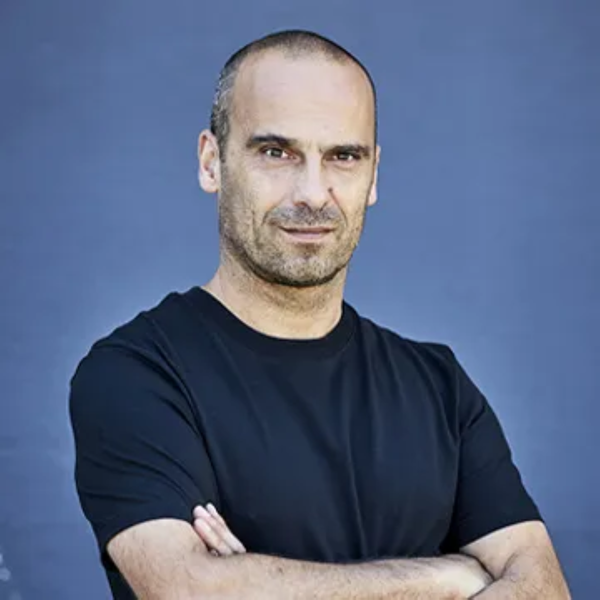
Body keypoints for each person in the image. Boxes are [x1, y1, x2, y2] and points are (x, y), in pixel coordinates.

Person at [69, 29, 571, 599]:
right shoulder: (137, 375)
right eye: (275, 152)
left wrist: (261, 582)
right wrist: (447, 579)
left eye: (343, 157)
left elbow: (545, 590)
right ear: (212, 162)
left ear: (373, 176)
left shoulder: (441, 389)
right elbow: (191, 592)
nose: (312, 193)